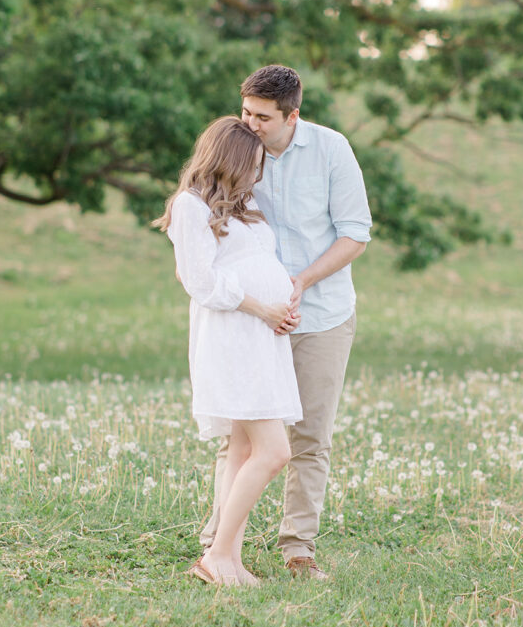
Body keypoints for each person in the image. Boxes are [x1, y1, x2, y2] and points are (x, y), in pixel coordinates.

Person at [200, 65, 372, 581]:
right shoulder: (235, 149)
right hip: (255, 321)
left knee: (309, 440)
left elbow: (355, 234)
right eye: (245, 111)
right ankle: (219, 543)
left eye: (262, 117)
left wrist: (301, 281)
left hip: (322, 315)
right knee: (242, 438)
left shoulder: (331, 150)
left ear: (292, 116)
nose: (249, 123)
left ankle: (298, 549)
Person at [154, 115, 303, 586]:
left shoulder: (242, 206)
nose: (257, 175)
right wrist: (263, 307)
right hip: (233, 335)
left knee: (241, 449)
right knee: (274, 450)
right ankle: (216, 556)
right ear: (232, 161)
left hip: (261, 335)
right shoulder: (190, 206)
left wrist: (282, 304)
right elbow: (200, 281)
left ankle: (230, 560)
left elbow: (254, 263)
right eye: (253, 165)